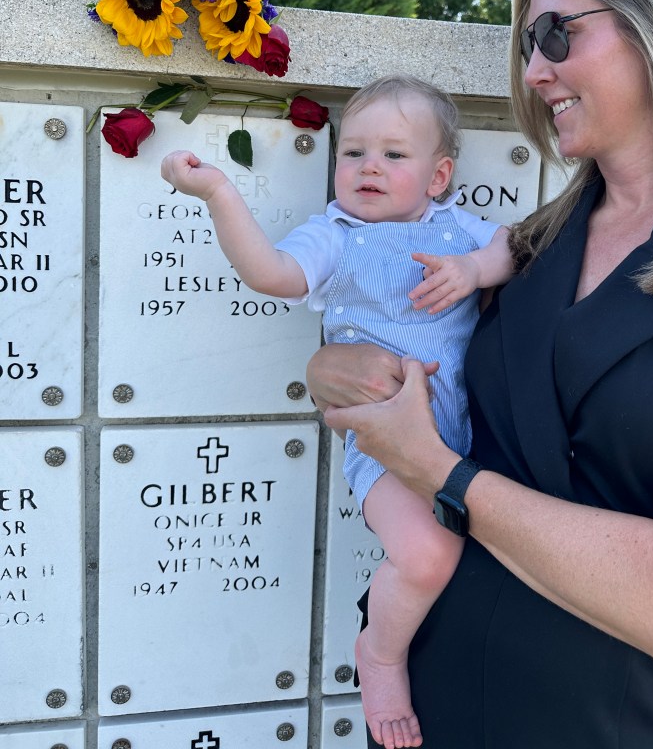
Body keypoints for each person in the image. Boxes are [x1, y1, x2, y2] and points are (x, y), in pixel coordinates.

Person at [308, 0, 653, 749]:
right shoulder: (531, 241)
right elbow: (395, 353)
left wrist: (440, 472)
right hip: (438, 714)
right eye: (528, 44)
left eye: (557, 35)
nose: (533, 73)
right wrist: (336, 373)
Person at [160, 75, 512, 749]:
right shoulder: (336, 235)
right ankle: (380, 655)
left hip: (464, 437)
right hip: (383, 443)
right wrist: (218, 194)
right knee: (426, 555)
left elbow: (516, 246)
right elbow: (272, 274)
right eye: (353, 153)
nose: (368, 167)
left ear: (439, 176)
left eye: (393, 155)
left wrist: (472, 270)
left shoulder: (456, 230)